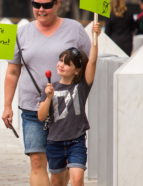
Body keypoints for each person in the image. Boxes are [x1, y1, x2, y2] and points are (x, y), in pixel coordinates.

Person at [2, 0, 91, 185]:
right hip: (33, 107)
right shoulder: (22, 33)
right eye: (36, 4)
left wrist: (79, 93)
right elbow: (12, 72)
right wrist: (6, 105)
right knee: (37, 160)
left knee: (60, 166)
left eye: (47, 4)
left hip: (64, 110)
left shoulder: (74, 29)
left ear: (58, 4)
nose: (41, 9)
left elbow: (88, 65)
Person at [37, 23, 101, 186]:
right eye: (60, 61)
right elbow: (41, 116)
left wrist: (95, 40)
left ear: (77, 70)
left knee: (77, 177)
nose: (61, 65)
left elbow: (92, 62)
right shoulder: (50, 88)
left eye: (66, 63)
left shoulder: (82, 86)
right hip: (54, 141)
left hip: (76, 141)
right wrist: (48, 97)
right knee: (57, 182)